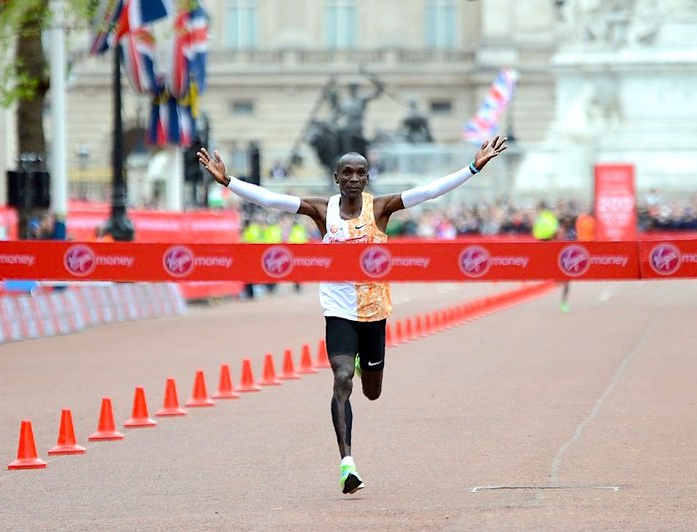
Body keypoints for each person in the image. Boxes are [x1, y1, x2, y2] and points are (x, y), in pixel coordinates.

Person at [197, 136, 507, 494]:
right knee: (342, 377)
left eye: (360, 172)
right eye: (347, 172)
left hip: (375, 309)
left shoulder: (380, 210)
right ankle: (348, 464)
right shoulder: (321, 210)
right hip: (338, 307)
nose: (354, 178)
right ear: (336, 177)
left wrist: (472, 168)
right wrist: (227, 181)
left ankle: (364, 366)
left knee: (372, 392)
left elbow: (428, 192)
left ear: (367, 177)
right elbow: (273, 200)